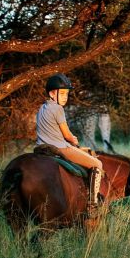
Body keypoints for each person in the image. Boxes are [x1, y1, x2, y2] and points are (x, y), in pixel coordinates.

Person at [36, 73, 105, 215]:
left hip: (40, 148)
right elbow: (67, 135)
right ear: (51, 93)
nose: (65, 97)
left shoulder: (42, 109)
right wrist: (74, 139)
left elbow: (52, 130)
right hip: (59, 148)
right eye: (61, 93)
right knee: (98, 164)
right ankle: (92, 205)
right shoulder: (58, 109)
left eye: (66, 94)